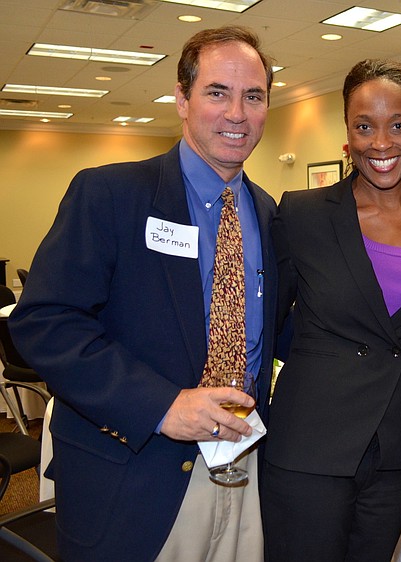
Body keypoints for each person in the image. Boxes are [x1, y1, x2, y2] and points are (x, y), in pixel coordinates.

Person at [9, 25, 278, 562]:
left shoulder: (269, 214)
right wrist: (162, 406)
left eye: (253, 96)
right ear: (181, 99)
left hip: (242, 471)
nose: (237, 114)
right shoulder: (111, 194)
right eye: (217, 92)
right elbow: (44, 322)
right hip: (134, 475)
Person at [261, 59, 401, 562]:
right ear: (347, 134)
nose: (382, 143)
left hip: (393, 456)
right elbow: (267, 326)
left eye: (398, 125)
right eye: (364, 126)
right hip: (309, 447)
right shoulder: (303, 214)